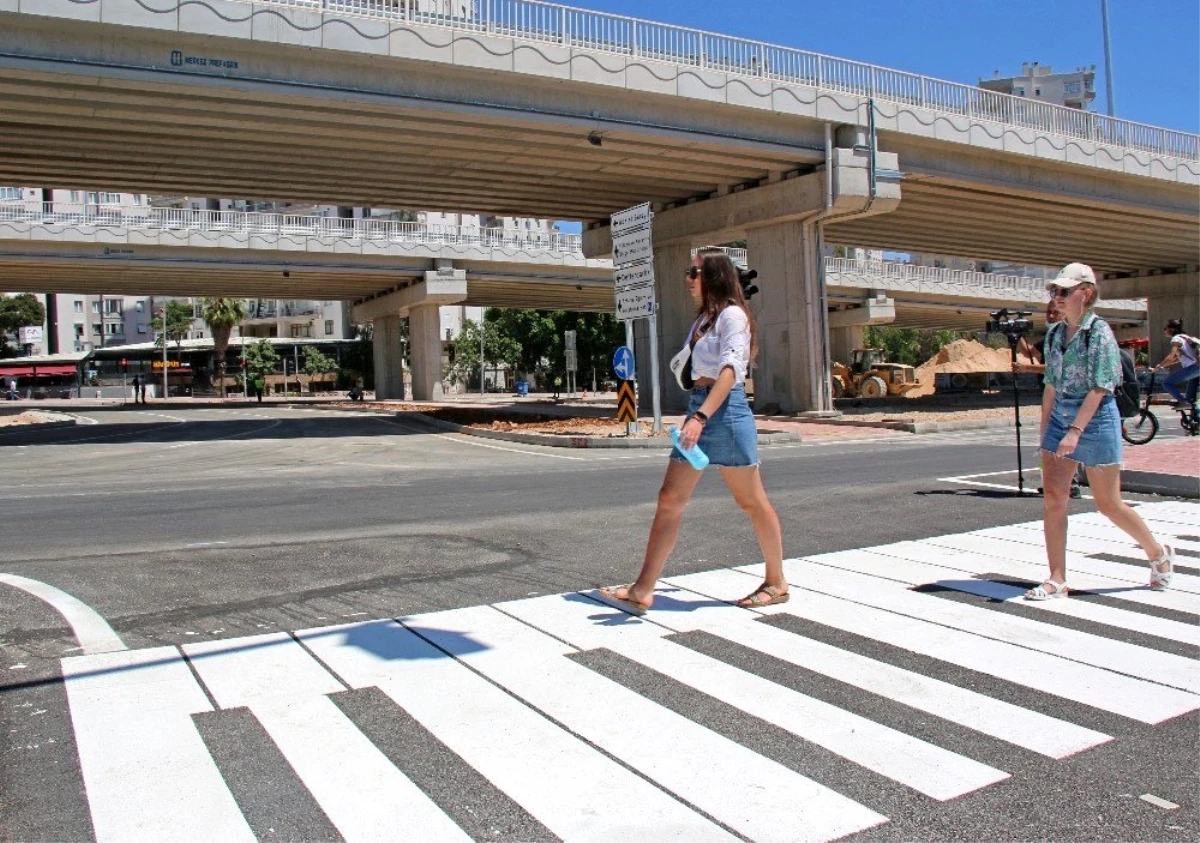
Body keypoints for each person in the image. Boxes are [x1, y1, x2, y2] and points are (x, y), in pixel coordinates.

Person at [601, 248, 787, 613]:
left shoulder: (733, 316)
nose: (688, 279)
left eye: (694, 272)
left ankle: (777, 581)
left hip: (726, 413)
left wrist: (700, 417)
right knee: (669, 498)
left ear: (714, 275)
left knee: (751, 500)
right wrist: (695, 411)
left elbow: (731, 371)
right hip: (701, 406)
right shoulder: (704, 320)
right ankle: (643, 588)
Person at [1028, 262, 1174, 600]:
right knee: (1054, 499)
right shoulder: (1053, 334)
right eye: (1054, 291)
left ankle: (1158, 553)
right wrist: (1046, 431)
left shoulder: (1099, 333)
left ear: (1086, 293)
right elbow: (1050, 385)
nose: (1057, 297)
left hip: (1095, 420)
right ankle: (1056, 578)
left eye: (1064, 291)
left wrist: (1075, 431)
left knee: (1108, 503)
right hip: (1061, 419)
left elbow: (1101, 386)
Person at [1014, 299, 1082, 499]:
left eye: (1055, 313)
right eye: (1048, 312)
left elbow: (1059, 368)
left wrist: (1027, 368)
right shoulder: (1051, 337)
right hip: (1049, 395)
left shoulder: (1070, 338)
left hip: (1066, 397)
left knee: (1064, 440)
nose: (1051, 316)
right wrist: (1018, 334)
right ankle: (1052, 480)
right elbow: (1029, 352)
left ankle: (1072, 482)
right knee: (1048, 440)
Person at [1150, 318, 1200, 409]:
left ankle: (1183, 402)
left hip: (1194, 368)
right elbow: (1177, 358)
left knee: (1167, 383)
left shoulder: (1176, 339)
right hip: (1197, 368)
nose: (1164, 331)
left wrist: (1157, 368)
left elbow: (1170, 356)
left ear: (1171, 329)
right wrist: (1161, 366)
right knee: (1191, 401)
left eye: (1165, 328)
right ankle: (1195, 418)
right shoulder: (1185, 337)